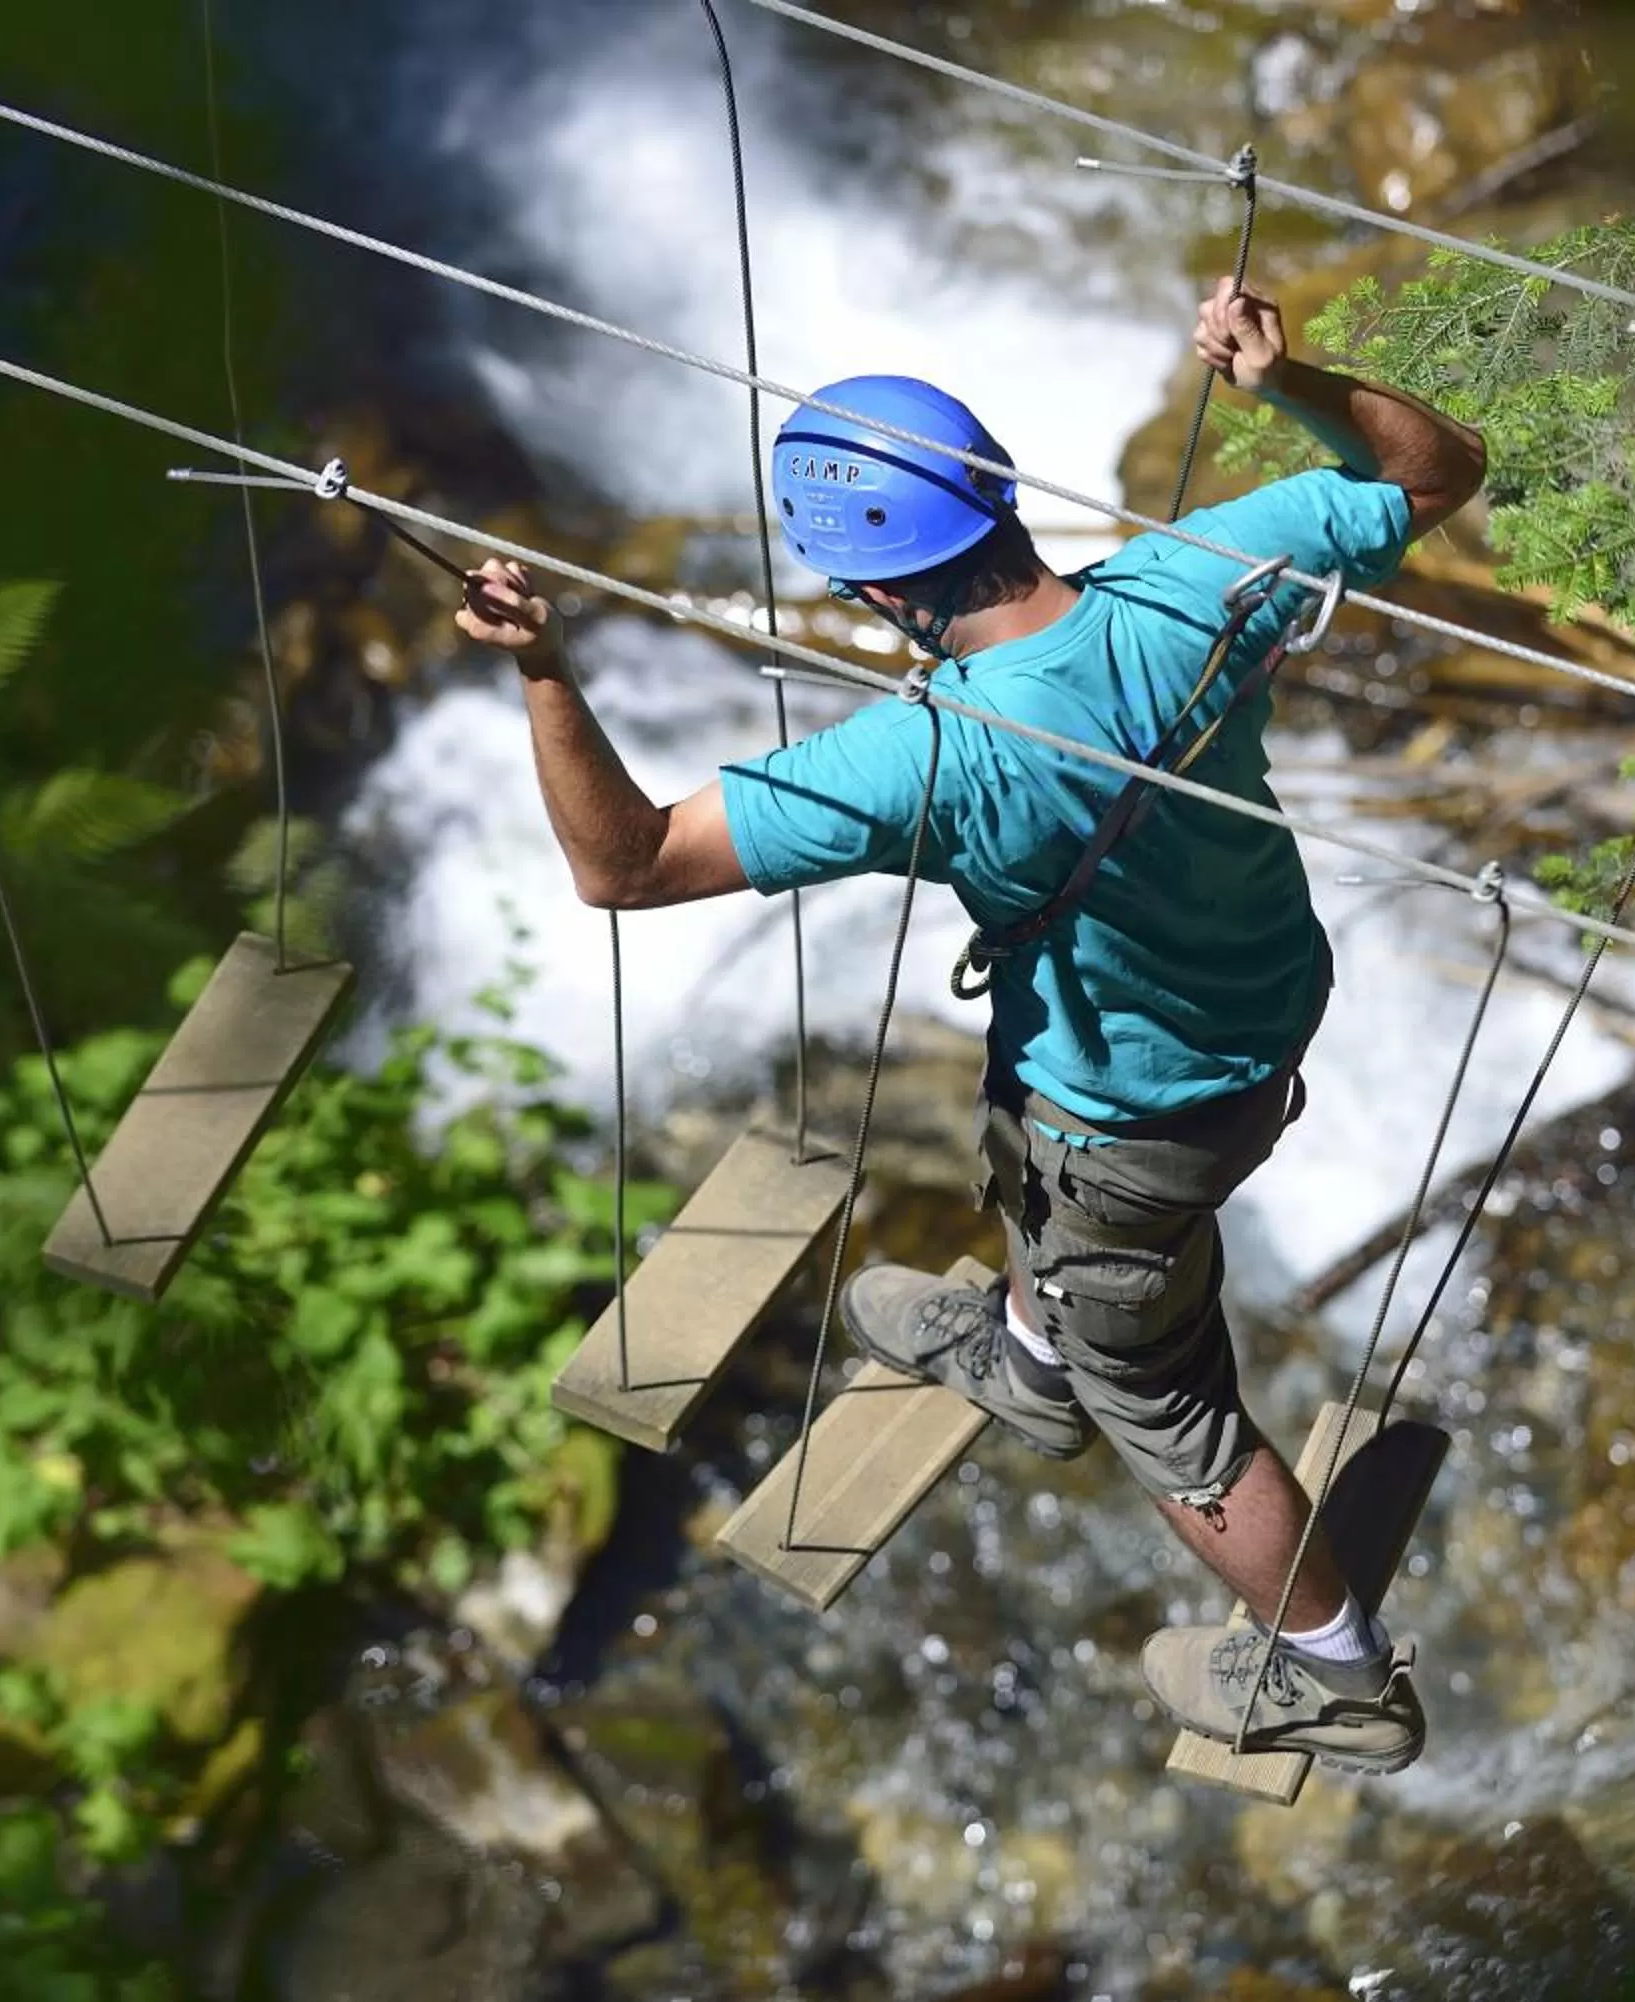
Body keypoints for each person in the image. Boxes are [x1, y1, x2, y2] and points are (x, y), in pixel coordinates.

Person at [458, 277, 1486, 1773]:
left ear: (880, 594)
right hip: (1261, 1020)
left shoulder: (924, 756)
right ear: (995, 495)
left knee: (1177, 1406)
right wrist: (1290, 379)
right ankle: (1031, 1348)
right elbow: (1431, 469)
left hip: (1131, 1123)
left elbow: (624, 863)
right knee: (1036, 1155)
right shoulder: (1200, 575)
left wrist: (546, 671)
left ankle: (1341, 1674)